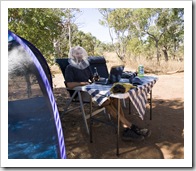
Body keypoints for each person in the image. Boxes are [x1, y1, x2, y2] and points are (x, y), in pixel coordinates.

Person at [65, 46, 151, 141]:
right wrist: (82, 83)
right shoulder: (70, 68)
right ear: (72, 55)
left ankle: (126, 127)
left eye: (80, 53)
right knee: (106, 102)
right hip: (81, 92)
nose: (79, 55)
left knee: (114, 98)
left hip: (92, 90)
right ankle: (131, 127)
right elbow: (69, 84)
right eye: (77, 53)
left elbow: (92, 79)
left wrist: (97, 79)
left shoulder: (85, 65)